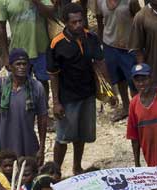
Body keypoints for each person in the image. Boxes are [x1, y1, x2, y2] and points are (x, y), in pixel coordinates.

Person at [49, 4, 115, 176]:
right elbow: (53, 75)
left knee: (81, 135)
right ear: (66, 23)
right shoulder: (57, 44)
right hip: (68, 98)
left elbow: (100, 62)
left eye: (80, 21)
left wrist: (110, 90)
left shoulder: (91, 38)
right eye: (74, 22)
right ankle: (56, 171)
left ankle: (77, 167)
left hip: (87, 94)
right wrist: (56, 102)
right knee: (62, 138)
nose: (78, 25)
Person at [0, 49, 48, 159]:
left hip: (28, 144)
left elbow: (42, 118)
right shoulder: (1, 85)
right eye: (18, 64)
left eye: (24, 64)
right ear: (10, 66)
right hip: (4, 144)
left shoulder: (36, 87)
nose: (22, 67)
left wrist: (41, 148)